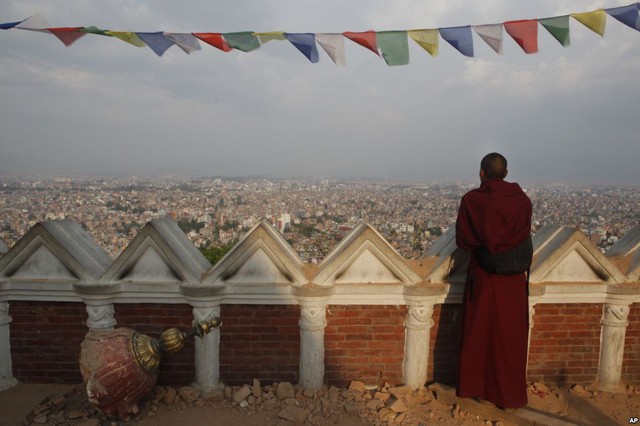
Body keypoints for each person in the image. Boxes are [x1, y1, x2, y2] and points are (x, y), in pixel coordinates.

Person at [455, 152, 532, 410]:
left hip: (485, 277)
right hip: (513, 281)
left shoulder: (472, 201)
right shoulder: (522, 201)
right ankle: (509, 395)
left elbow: (464, 240)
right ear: (507, 173)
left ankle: (477, 388)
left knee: (480, 334)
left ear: (481, 173)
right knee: (510, 339)